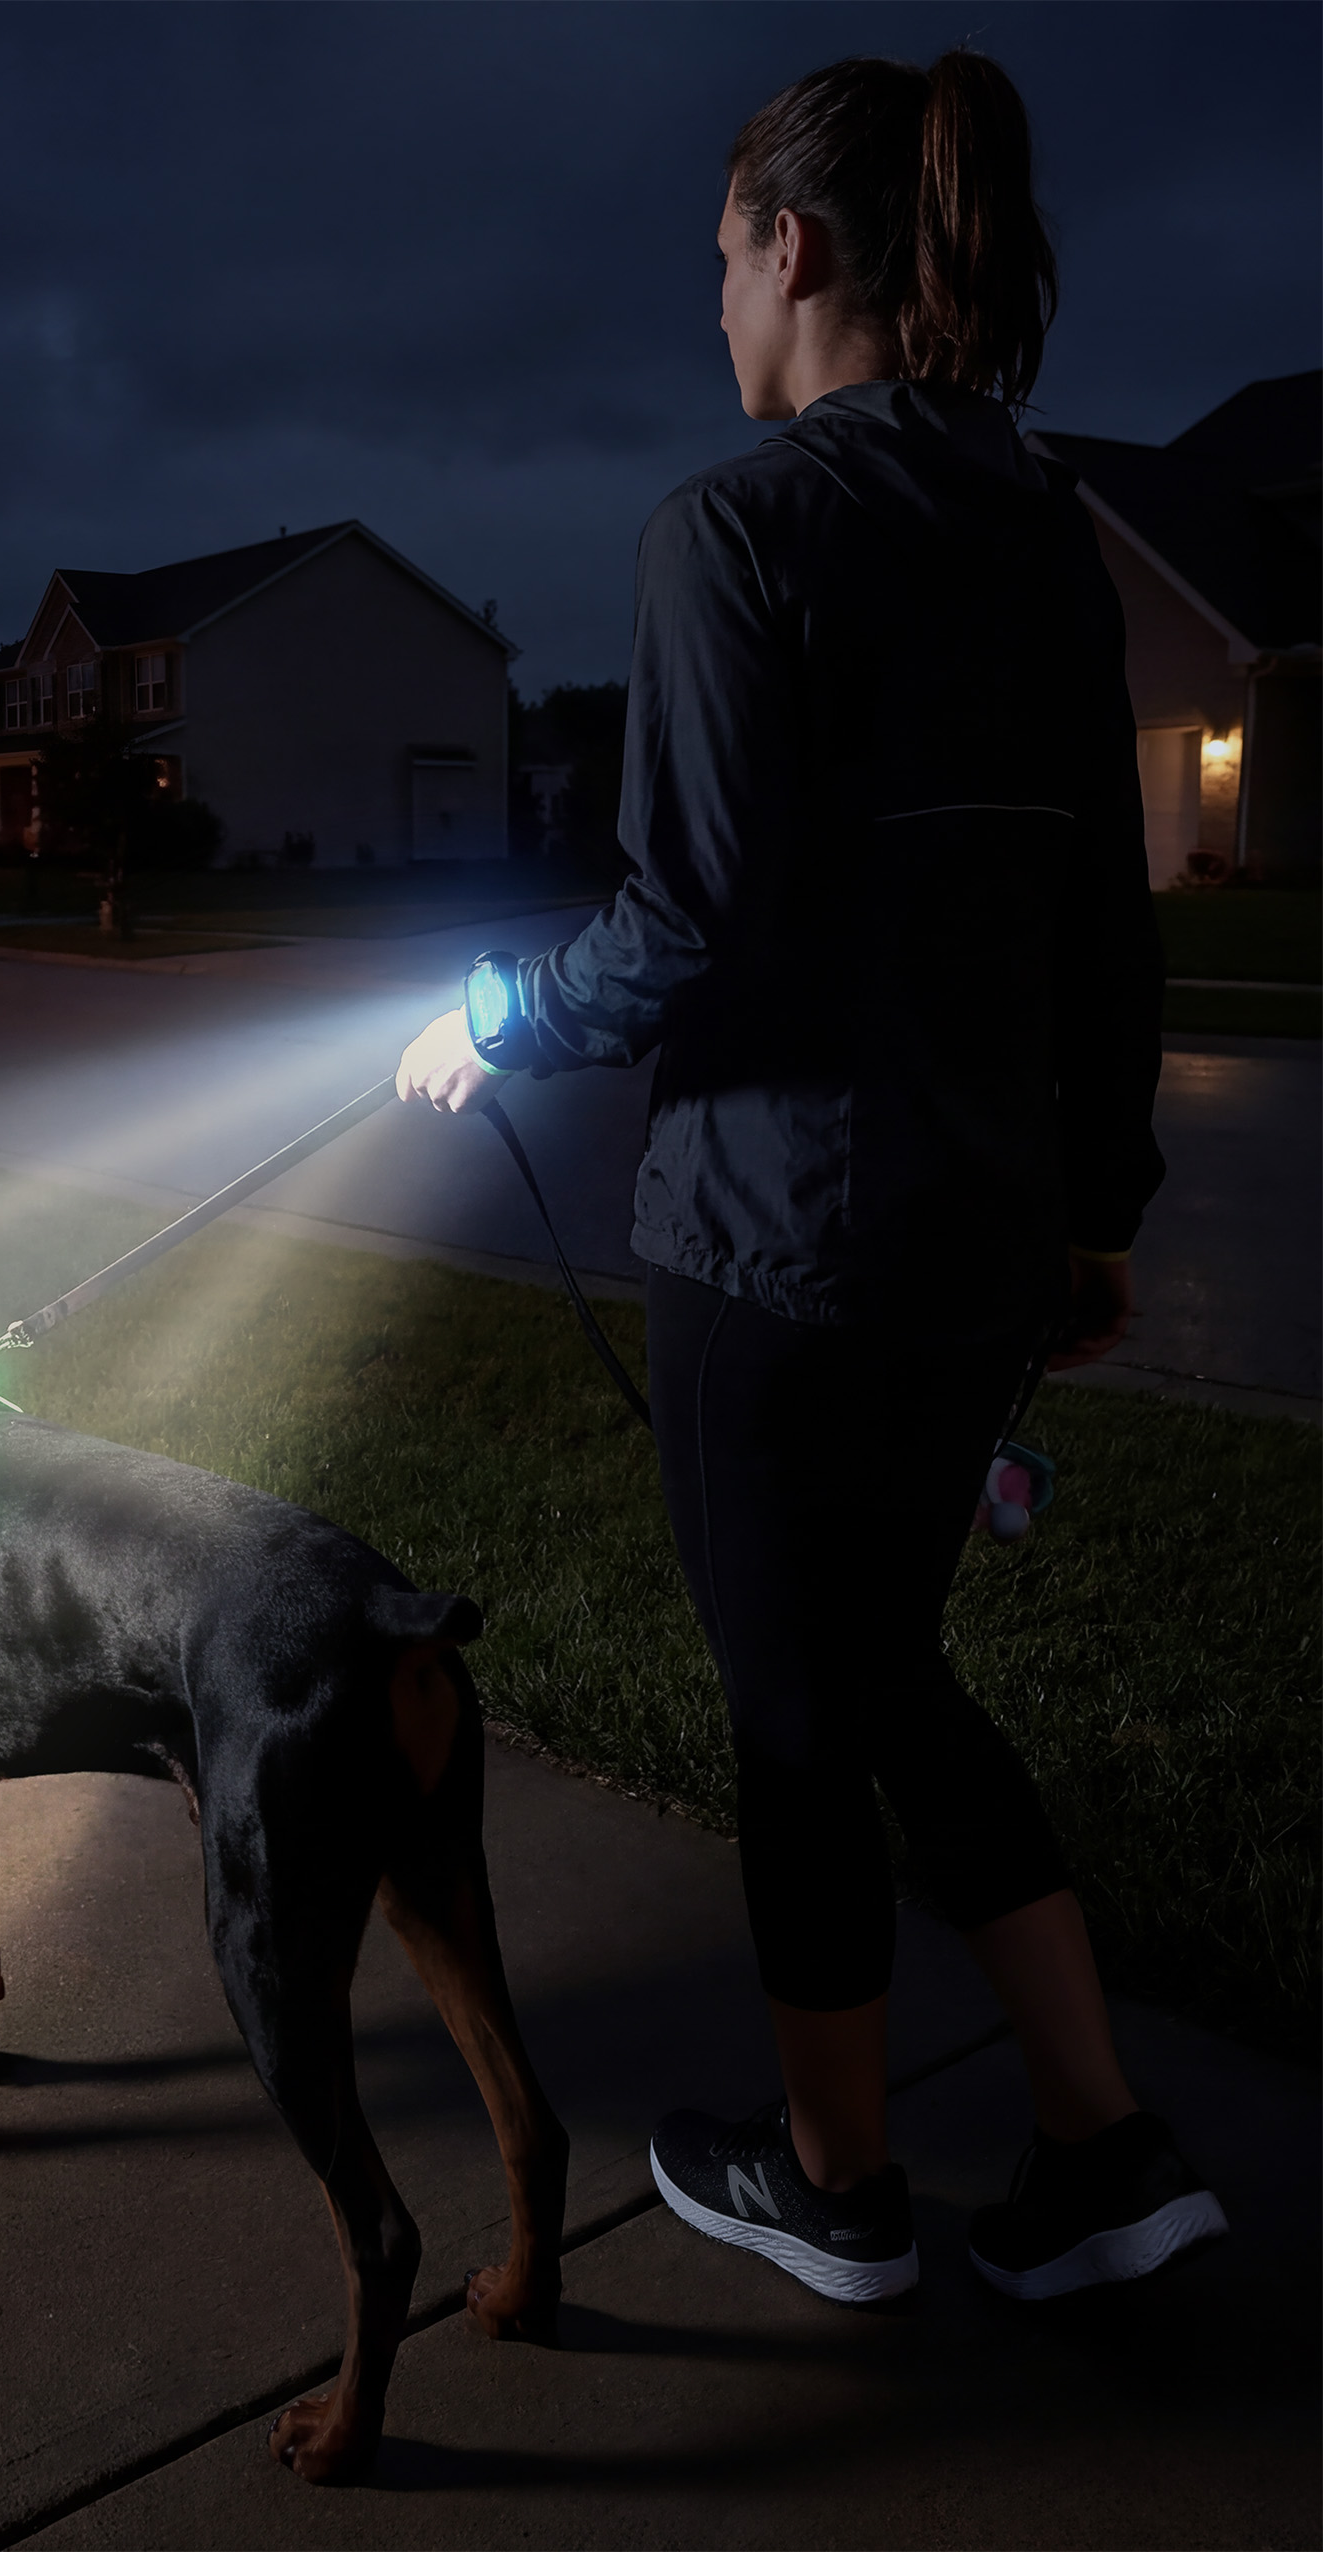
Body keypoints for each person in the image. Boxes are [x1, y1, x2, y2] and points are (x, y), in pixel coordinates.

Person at [395, 48, 1228, 2306]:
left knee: (799, 1703)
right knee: (887, 1672)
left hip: (778, 1247)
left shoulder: (731, 534)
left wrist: (492, 1021)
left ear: (800, 250)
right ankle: (1101, 2139)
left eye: (723, 263)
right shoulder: (1035, 527)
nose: (715, 315)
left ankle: (836, 2181)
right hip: (976, 1235)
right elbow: (1097, 915)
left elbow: (687, 920)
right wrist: (1097, 1213)